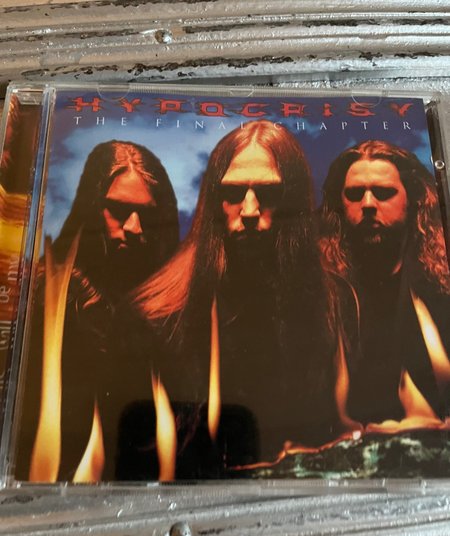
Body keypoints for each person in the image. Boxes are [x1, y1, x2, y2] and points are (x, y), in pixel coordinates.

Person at [126, 120, 349, 479]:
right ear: (215, 199)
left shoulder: (333, 302)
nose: (249, 211)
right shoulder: (158, 317)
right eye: (233, 192)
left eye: (268, 193)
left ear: (292, 198)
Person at [16, 140, 180, 481]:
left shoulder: (170, 306)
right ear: (92, 206)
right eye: (118, 210)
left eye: (147, 215)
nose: (134, 227)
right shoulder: (46, 294)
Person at [320, 139, 450, 428]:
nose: (367, 204)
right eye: (355, 194)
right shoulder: (322, 292)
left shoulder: (440, 286)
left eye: (383, 192)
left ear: (413, 200)